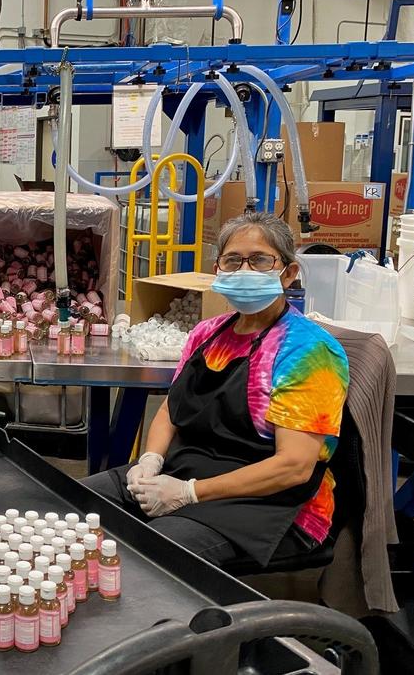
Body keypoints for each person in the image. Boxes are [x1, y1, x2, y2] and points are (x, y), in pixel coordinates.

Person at [83, 212, 349, 568]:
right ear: (218, 269)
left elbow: (293, 467)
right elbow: (170, 411)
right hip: (183, 471)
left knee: (142, 557)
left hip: (269, 503)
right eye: (233, 260)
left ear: (288, 273)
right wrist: (151, 460)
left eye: (259, 260)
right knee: (67, 506)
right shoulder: (207, 334)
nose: (244, 270)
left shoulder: (308, 350)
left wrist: (189, 493)